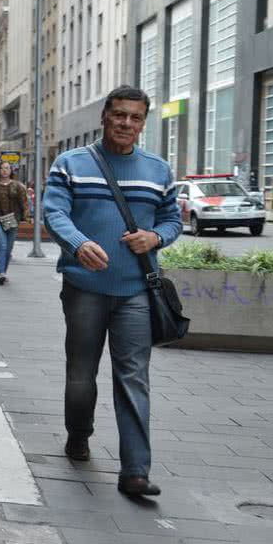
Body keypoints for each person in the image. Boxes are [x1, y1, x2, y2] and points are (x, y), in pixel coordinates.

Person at [43, 85, 182, 498]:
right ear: (104, 116)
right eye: (119, 115)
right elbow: (54, 212)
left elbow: (173, 219)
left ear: (143, 123)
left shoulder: (159, 170)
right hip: (84, 288)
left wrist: (155, 237)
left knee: (134, 377)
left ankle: (135, 471)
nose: (126, 123)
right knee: (81, 372)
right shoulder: (71, 163)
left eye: (135, 117)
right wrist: (78, 243)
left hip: (137, 290)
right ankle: (79, 433)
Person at [0, 161, 30, 285]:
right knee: (2, 246)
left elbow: (24, 202)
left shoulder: (18, 186)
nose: (5, 170)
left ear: (11, 171)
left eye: (7, 168)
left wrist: (26, 217)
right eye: (2, 168)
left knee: (8, 249)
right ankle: (1, 274)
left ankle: (4, 271)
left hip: (12, 220)